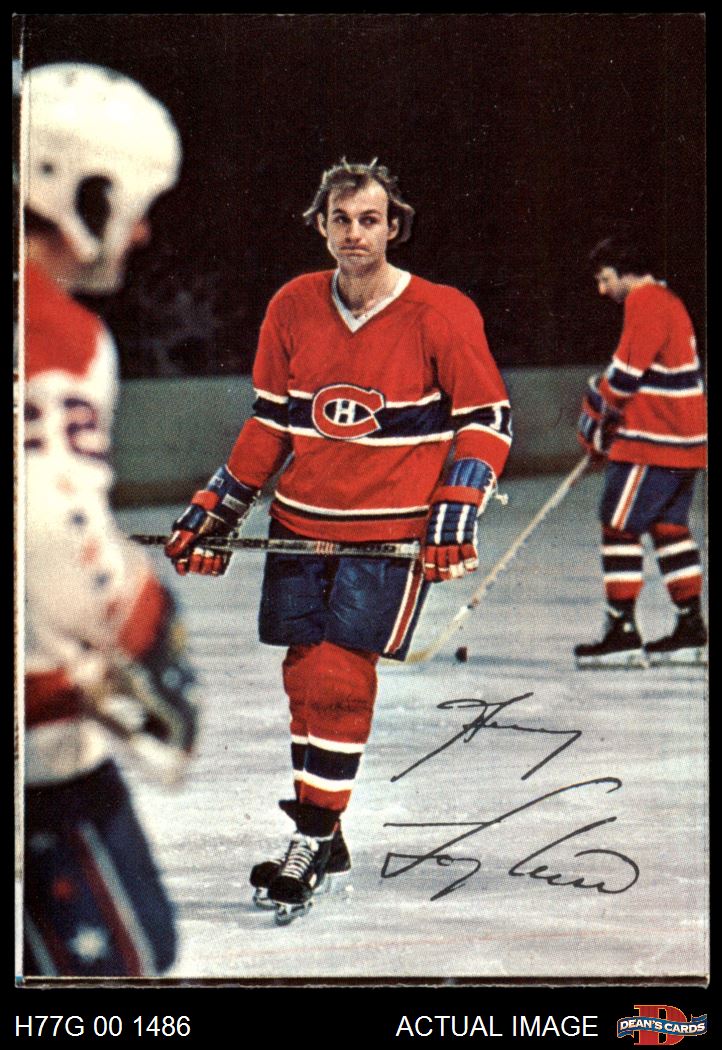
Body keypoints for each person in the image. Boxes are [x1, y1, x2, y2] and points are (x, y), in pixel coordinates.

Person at [165, 159, 512, 920]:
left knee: (337, 677)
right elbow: (271, 422)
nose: (355, 233)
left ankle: (312, 835)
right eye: (341, 220)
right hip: (299, 523)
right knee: (304, 676)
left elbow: (487, 420)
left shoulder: (439, 311)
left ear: (394, 227)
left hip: (388, 532)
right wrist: (217, 508)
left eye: (369, 220)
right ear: (321, 227)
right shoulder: (292, 304)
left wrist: (457, 507)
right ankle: (328, 830)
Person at [20, 62, 199, 976]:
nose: (141, 228)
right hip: (36, 760)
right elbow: (48, 533)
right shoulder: (51, 330)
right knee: (124, 962)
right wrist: (140, 618)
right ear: (81, 188)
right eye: (135, 203)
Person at [574, 233, 707, 668]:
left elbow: (625, 376)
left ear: (624, 272)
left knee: (617, 525)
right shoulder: (669, 300)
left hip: (654, 441)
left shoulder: (645, 300)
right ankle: (691, 629)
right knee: (669, 528)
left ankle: (622, 633)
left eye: (604, 278)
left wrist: (596, 410)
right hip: (685, 442)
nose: (602, 289)